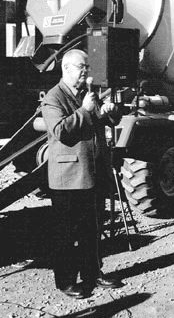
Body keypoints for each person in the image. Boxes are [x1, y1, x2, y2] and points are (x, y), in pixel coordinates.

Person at [41, 49, 120, 299]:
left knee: (91, 229)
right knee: (66, 233)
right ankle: (66, 281)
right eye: (81, 67)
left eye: (87, 67)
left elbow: (106, 122)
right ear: (66, 69)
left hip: (92, 173)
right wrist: (85, 111)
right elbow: (61, 131)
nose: (86, 71)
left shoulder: (88, 95)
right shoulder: (53, 98)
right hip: (67, 177)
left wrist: (110, 111)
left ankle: (93, 273)